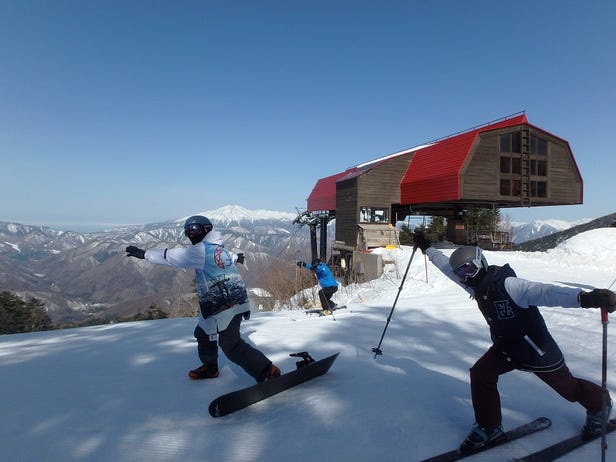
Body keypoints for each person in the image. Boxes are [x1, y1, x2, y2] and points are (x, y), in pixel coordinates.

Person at [412, 230, 616, 454]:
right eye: (461, 272)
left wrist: (584, 298)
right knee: (481, 374)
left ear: (481, 263)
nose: (466, 276)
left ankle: (600, 405)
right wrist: (428, 249)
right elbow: (446, 267)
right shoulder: (475, 285)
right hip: (506, 347)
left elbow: (546, 292)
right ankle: (489, 428)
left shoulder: (510, 285)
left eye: (469, 268)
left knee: (569, 389)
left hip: (536, 350)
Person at [125, 215, 280, 383]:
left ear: (206, 229)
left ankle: (267, 371)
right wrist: (237, 258)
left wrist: (144, 254)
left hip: (226, 304)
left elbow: (172, 256)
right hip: (223, 303)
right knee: (203, 333)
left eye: (195, 229)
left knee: (231, 344)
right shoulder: (217, 247)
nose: (191, 233)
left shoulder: (200, 250)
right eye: (187, 231)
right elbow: (227, 255)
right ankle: (210, 367)